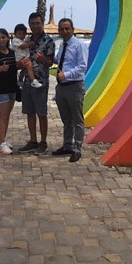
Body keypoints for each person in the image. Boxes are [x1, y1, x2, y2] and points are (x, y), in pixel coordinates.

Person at [16, 12, 55, 154]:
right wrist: (20, 65)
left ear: (42, 23)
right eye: (32, 24)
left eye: (37, 23)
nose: (35, 26)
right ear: (29, 25)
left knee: (41, 113)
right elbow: (19, 59)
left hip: (40, 82)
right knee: (30, 113)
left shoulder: (48, 41)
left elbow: (51, 63)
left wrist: (43, 60)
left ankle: (43, 142)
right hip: (27, 81)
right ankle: (33, 141)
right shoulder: (26, 41)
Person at [52, 18, 88, 163]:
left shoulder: (79, 45)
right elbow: (60, 60)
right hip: (62, 87)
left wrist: (66, 74)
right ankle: (67, 145)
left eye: (67, 28)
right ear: (59, 31)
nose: (65, 31)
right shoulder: (62, 45)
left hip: (75, 86)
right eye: (62, 29)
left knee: (77, 119)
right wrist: (49, 59)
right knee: (66, 119)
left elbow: (82, 66)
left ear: (73, 29)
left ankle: (77, 148)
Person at [0, 28, 19, 155]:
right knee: (3, 115)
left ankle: (2, 139)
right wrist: (0, 69)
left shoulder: (12, 52)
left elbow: (16, 67)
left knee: (7, 115)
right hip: (1, 89)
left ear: (7, 38)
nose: (1, 40)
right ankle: (1, 142)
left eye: (3, 37)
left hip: (12, 87)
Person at [10, 24, 42, 89]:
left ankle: (20, 80)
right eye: (19, 33)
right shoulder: (15, 40)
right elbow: (22, 47)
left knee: (24, 70)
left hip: (23, 58)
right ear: (15, 34)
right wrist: (30, 43)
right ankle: (33, 80)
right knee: (29, 65)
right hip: (19, 58)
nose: (21, 35)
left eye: (23, 33)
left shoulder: (23, 41)